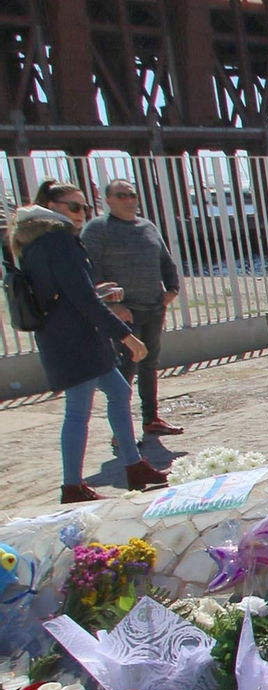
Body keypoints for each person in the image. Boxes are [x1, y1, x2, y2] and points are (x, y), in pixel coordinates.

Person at [9, 181, 164, 500]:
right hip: (76, 340)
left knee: (118, 390)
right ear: (53, 209)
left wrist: (98, 292)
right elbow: (81, 299)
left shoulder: (33, 243)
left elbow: (61, 292)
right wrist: (126, 335)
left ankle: (133, 465)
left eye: (86, 208)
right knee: (78, 409)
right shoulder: (60, 241)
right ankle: (72, 486)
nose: (82, 214)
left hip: (61, 337)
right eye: (75, 207)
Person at [81, 176, 183, 439]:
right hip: (124, 313)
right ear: (108, 200)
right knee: (125, 369)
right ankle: (121, 429)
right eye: (122, 196)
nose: (129, 200)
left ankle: (151, 419)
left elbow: (165, 260)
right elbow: (89, 271)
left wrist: (172, 289)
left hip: (153, 307)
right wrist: (112, 306)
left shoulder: (147, 226)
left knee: (150, 363)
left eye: (132, 195)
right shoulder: (97, 229)